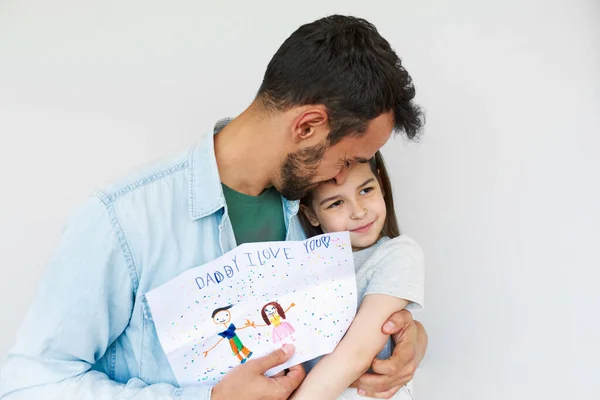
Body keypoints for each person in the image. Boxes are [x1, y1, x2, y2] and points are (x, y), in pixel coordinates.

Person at [0, 15, 428, 400]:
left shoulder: (320, 211)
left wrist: (406, 340)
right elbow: (30, 383)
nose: (346, 178)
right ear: (308, 126)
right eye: (349, 159)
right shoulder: (122, 220)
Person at [293, 151, 424, 400]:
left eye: (365, 191)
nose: (359, 211)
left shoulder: (398, 253)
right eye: (336, 203)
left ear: (381, 186)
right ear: (311, 215)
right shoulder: (305, 268)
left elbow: (358, 351)